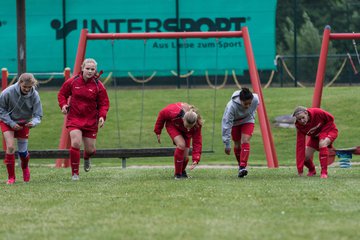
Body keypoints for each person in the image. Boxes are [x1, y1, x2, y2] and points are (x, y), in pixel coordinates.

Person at [58, 58, 110, 180]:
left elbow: (104, 103)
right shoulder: (73, 81)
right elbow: (62, 94)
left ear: (95, 71)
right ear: (82, 68)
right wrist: (64, 105)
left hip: (91, 120)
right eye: (87, 68)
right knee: (76, 143)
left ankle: (87, 157)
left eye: (92, 69)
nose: (90, 71)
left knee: (91, 150)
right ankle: (75, 174)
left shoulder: (99, 86)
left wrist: (102, 116)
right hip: (74, 118)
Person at [0, 73, 43, 184]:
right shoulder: (7, 92)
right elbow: (1, 110)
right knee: (10, 147)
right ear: (19, 83)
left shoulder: (35, 95)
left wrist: (33, 123)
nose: (27, 89)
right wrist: (11, 123)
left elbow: (38, 115)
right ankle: (11, 177)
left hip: (23, 122)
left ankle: (25, 169)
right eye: (25, 87)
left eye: (29, 87)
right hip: (7, 121)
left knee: (23, 152)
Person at [154, 102, 203, 180]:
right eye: (187, 126)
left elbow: (197, 141)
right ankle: (177, 175)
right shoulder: (173, 111)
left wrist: (196, 159)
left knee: (185, 156)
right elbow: (162, 114)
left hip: (186, 134)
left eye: (191, 127)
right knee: (181, 145)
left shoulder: (197, 124)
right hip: (173, 126)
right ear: (183, 119)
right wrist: (158, 131)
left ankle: (182, 172)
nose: (188, 129)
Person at [222, 88, 259, 178]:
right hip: (235, 123)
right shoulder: (231, 106)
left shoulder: (256, 99)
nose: (247, 106)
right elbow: (226, 125)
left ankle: (243, 166)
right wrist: (227, 144)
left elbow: (253, 109)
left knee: (245, 140)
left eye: (249, 103)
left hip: (248, 120)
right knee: (237, 145)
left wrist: (252, 116)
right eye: (245, 104)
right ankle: (240, 167)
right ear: (240, 101)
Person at [293, 106, 338, 179]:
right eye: (299, 119)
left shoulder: (317, 112)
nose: (301, 121)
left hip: (330, 130)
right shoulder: (299, 126)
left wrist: (323, 134)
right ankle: (312, 170)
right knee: (305, 156)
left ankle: (324, 173)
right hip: (315, 138)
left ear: (306, 113)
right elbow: (300, 145)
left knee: (322, 143)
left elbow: (331, 118)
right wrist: (300, 169)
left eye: (303, 117)